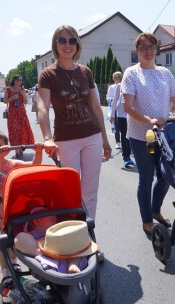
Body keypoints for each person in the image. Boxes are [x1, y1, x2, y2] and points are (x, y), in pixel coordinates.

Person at [36, 24, 112, 222]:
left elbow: (96, 107)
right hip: (66, 141)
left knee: (90, 191)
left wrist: (104, 139)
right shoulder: (48, 75)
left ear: (77, 45)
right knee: (69, 191)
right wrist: (47, 138)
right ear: (55, 44)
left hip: (92, 137)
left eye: (72, 40)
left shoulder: (85, 72)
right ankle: (71, 237)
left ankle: (87, 236)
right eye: (62, 40)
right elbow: (42, 107)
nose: (67, 45)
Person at [121, 32, 175, 235]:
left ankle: (155, 209)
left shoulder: (165, 74)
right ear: (137, 51)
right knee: (146, 178)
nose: (147, 51)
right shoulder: (131, 73)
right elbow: (129, 107)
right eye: (143, 47)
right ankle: (146, 220)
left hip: (163, 134)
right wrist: (149, 120)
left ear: (156, 49)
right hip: (140, 135)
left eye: (151, 46)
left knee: (166, 176)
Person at [0, 130, 44, 289]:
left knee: (14, 237)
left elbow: (34, 165)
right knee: (3, 243)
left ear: (7, 147)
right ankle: (5, 272)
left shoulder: (13, 164)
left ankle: (14, 263)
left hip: (13, 209)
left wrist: (38, 151)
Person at [14, 208, 84, 274]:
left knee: (75, 244)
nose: (55, 223)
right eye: (52, 220)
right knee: (20, 237)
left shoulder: (57, 232)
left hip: (65, 254)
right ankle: (40, 251)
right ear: (37, 221)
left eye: (56, 221)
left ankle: (73, 264)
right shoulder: (32, 235)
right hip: (44, 256)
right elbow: (21, 240)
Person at [4, 75, 35, 158]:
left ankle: (21, 146)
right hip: (12, 113)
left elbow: (26, 101)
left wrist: (23, 94)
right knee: (14, 130)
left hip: (21, 112)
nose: (21, 82)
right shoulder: (8, 89)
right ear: (14, 81)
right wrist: (12, 98)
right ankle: (17, 149)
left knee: (22, 129)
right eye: (19, 80)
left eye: (21, 80)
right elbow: (4, 101)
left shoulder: (22, 89)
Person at [109, 71, 134, 169]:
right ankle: (126, 157)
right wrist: (112, 115)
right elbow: (115, 100)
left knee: (131, 136)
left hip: (133, 115)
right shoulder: (119, 86)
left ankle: (131, 151)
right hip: (122, 115)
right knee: (124, 136)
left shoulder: (134, 85)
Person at [106, 81, 121, 149]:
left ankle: (126, 143)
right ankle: (117, 142)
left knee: (124, 129)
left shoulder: (124, 85)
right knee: (115, 126)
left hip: (123, 111)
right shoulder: (111, 87)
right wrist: (111, 99)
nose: (116, 79)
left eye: (118, 77)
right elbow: (108, 97)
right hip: (113, 108)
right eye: (115, 77)